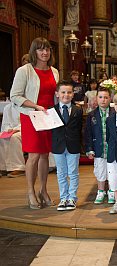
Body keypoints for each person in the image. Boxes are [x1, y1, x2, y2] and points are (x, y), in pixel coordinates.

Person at [10, 37, 59, 209]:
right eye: (40, 49)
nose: (44, 53)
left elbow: (55, 95)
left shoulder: (54, 71)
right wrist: (36, 106)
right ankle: (30, 191)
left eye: (47, 49)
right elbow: (15, 95)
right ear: (34, 52)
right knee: (34, 155)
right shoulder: (25, 71)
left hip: (48, 116)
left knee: (45, 155)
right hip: (31, 116)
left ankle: (43, 191)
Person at [52, 81, 83, 211]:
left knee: (73, 173)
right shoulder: (51, 110)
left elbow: (80, 128)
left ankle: (72, 198)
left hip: (73, 145)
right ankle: (63, 198)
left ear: (73, 94)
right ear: (57, 94)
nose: (66, 95)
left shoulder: (77, 110)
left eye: (69, 92)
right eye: (63, 92)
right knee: (61, 173)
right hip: (58, 146)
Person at [85, 87, 114, 204]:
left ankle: (112, 190)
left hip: (112, 149)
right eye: (101, 97)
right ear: (97, 98)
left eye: (106, 97)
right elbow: (88, 133)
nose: (103, 100)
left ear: (110, 99)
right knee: (100, 170)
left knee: (112, 171)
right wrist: (89, 149)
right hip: (99, 148)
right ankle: (101, 191)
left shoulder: (114, 112)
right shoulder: (91, 115)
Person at [0, 104, 25, 178]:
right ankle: (3, 167)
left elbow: (27, 122)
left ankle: (18, 167)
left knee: (14, 138)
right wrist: (8, 129)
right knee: (1, 136)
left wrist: (17, 129)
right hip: (11, 130)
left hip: (24, 130)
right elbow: (5, 124)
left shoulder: (27, 106)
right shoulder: (8, 107)